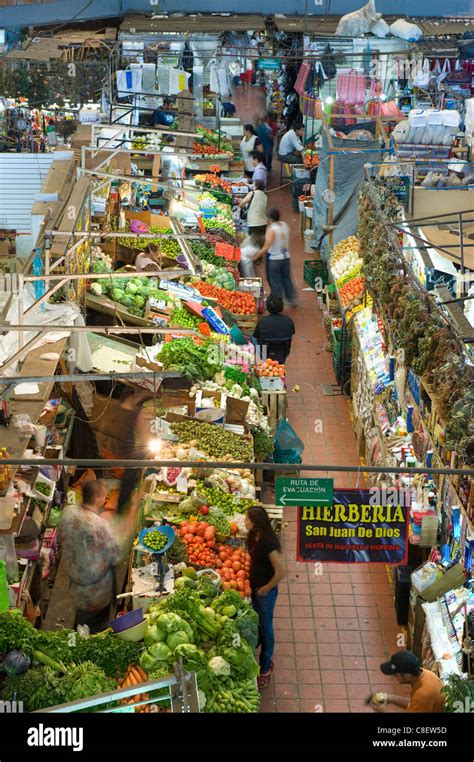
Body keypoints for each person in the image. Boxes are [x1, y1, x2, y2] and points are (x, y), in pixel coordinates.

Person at [58, 479, 139, 632]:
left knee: (82, 618)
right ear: (98, 499)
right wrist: (131, 516)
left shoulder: (68, 512)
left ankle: (77, 635)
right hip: (96, 591)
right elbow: (115, 554)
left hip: (76, 583)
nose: (106, 499)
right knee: (94, 625)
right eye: (104, 496)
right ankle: (82, 646)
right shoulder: (98, 525)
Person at [245, 507, 284, 688]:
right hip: (254, 587)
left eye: (247, 519)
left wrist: (266, 589)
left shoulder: (269, 543)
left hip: (265, 593)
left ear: (255, 522)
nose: (244, 521)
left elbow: (280, 572)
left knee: (267, 629)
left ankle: (265, 667)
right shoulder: (253, 536)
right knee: (259, 624)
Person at [370, 651, 446, 713]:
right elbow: (414, 703)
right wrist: (389, 698)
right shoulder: (426, 674)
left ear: (406, 676)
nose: (393, 678)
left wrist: (382, 711)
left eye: (395, 675)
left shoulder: (422, 696)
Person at [253, 208, 298, 307]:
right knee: (286, 278)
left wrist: (256, 256)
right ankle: (292, 299)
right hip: (286, 256)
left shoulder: (272, 229)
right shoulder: (284, 225)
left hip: (274, 258)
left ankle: (278, 303)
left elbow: (266, 246)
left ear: (270, 218)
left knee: (275, 281)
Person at [252, 294, 295, 364]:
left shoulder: (263, 321)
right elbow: (292, 333)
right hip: (284, 351)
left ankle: (260, 359)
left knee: (252, 337)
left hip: (265, 351)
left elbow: (255, 336)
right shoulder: (288, 320)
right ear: (281, 307)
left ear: (268, 307)